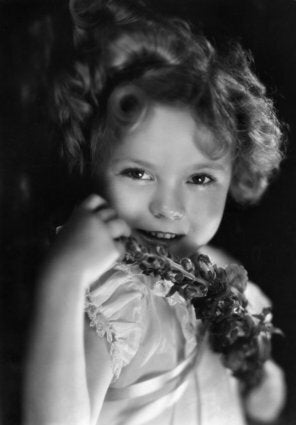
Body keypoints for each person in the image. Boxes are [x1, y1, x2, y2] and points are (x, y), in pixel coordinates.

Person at [24, 0, 286, 424]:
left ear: (235, 171)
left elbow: (262, 406)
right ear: (92, 163)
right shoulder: (112, 300)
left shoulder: (225, 279)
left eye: (199, 179)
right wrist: (64, 279)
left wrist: (260, 377)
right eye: (138, 173)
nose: (168, 208)